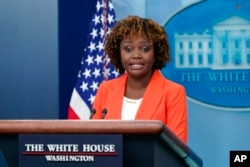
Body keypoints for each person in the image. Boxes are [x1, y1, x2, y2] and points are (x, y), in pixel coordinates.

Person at [92, 15, 188, 143]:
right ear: (119, 53)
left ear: (156, 53)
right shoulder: (106, 89)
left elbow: (177, 149)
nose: (136, 55)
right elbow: (94, 141)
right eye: (128, 49)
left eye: (145, 49)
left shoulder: (173, 92)